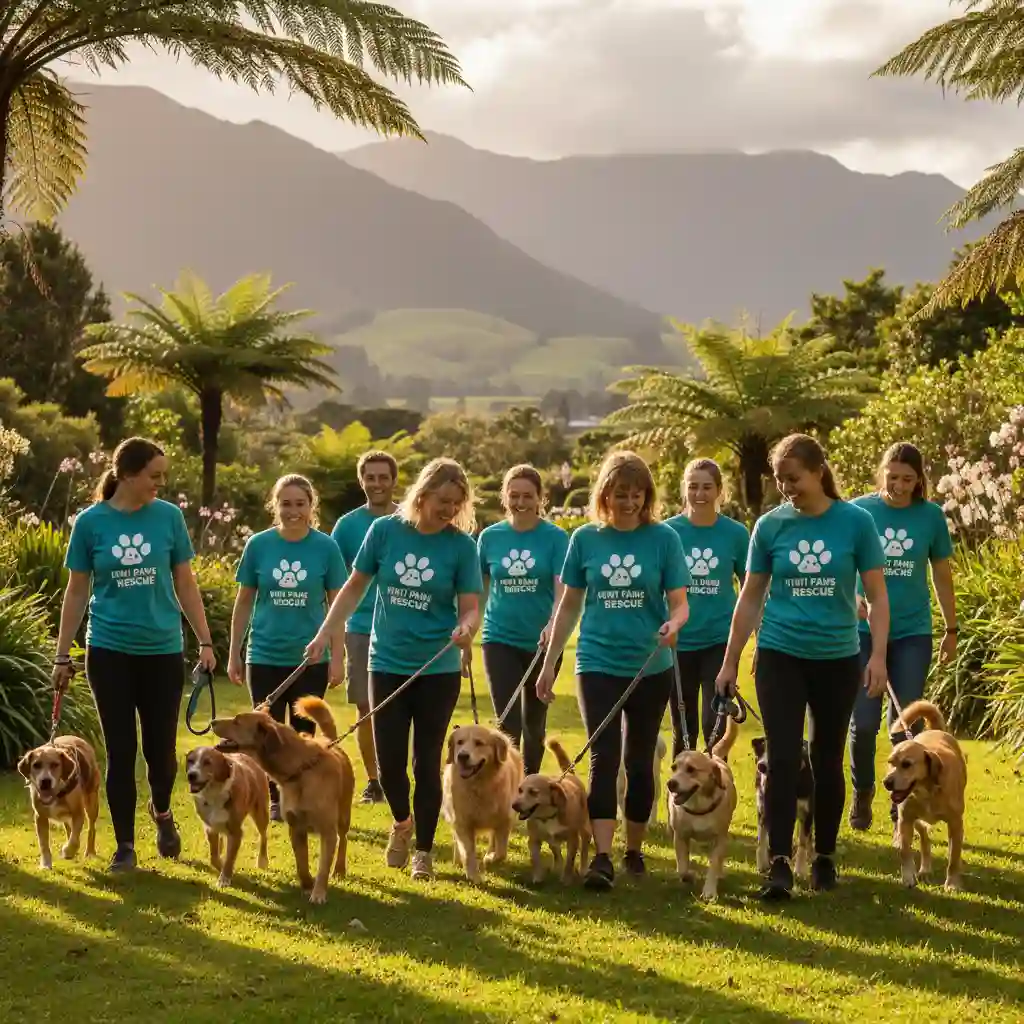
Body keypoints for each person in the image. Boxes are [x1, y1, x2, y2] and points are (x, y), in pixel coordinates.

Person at [715, 433, 889, 899]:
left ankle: (825, 857)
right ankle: (778, 863)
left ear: (818, 471)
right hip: (779, 654)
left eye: (793, 478)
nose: (786, 487)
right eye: (779, 480)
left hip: (836, 657)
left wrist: (877, 655)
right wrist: (731, 662)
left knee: (829, 759)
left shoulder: (856, 523)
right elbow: (750, 597)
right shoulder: (770, 527)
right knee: (783, 758)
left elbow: (876, 596)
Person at [306, 457, 482, 882]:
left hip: (436, 667)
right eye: (443, 501)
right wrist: (326, 633)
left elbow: (472, 607)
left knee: (426, 762)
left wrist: (465, 628)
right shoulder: (383, 532)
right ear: (422, 495)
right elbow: (352, 589)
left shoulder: (462, 546)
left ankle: (423, 849)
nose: (449, 510)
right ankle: (401, 822)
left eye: (456, 504)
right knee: (388, 765)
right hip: (386, 663)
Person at [52, 437, 216, 872]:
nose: (160, 484)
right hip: (109, 651)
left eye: (162, 475)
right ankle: (124, 845)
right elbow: (77, 590)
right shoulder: (90, 523)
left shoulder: (169, 518)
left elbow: (185, 582)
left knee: (160, 752)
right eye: (154, 476)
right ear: (126, 475)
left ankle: (161, 810)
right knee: (121, 751)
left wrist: (205, 639)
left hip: (162, 650)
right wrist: (61, 655)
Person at [537, 451, 691, 891]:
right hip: (597, 661)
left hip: (650, 663)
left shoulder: (664, 539)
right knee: (603, 758)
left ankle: (634, 849)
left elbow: (680, 602)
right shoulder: (585, 539)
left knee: (639, 761)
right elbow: (568, 606)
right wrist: (550, 664)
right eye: (619, 494)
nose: (628, 502)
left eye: (636, 494)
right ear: (604, 493)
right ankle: (602, 857)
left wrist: (674, 623)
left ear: (647, 496)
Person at [848, 442, 956, 831]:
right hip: (861, 631)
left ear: (919, 480)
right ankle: (862, 795)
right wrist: (852, 597)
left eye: (907, 479)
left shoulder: (930, 517)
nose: (898, 485)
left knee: (905, 724)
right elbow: (840, 563)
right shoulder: (860, 511)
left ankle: (902, 803)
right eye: (892, 477)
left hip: (912, 632)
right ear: (882, 473)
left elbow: (941, 576)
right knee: (863, 722)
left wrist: (951, 629)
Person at [228, 474, 347, 821]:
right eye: (286, 503)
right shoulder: (259, 546)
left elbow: (337, 607)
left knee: (303, 734)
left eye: (300, 504)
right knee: (263, 733)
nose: (293, 511)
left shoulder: (326, 548)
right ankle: (271, 800)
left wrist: (337, 657)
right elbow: (244, 601)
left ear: (311, 507)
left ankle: (303, 796)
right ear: (275, 506)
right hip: (264, 653)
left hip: (310, 657)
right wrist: (234, 652)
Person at [478, 465, 568, 775]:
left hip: (543, 642)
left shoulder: (556, 538)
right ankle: (508, 785)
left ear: (541, 498)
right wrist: (466, 631)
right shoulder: (490, 538)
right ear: (504, 497)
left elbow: (563, 590)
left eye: (528, 496)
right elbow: (478, 591)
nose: (520, 502)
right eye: (514, 495)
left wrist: (553, 624)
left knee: (534, 724)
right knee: (507, 722)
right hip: (499, 638)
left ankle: (530, 784)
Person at [664, 458, 750, 753]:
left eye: (706, 487)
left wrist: (758, 637)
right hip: (678, 644)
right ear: (684, 490)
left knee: (714, 728)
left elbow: (751, 588)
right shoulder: (667, 533)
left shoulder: (737, 534)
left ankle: (718, 795)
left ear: (719, 491)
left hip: (719, 642)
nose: (699, 494)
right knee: (682, 731)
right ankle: (680, 798)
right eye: (693, 487)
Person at [330, 450, 400, 804]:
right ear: (362, 481)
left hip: (401, 626)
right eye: (370, 477)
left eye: (382, 477)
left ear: (393, 481)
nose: (376, 484)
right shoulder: (346, 526)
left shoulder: (408, 520)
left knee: (402, 708)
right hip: (359, 625)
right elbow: (334, 579)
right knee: (365, 707)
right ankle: (375, 781)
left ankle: (399, 774)